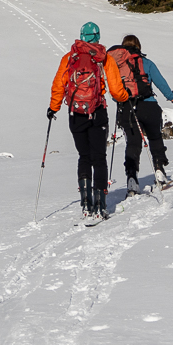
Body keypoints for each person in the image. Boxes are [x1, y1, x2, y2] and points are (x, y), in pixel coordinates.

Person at [49, 22, 126, 217]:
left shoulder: (70, 57)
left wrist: (53, 107)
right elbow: (116, 90)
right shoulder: (104, 58)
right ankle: (100, 203)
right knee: (99, 158)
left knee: (84, 156)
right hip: (98, 112)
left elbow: (59, 84)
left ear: (81, 36)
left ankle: (85, 202)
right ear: (98, 37)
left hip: (76, 114)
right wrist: (125, 98)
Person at [107, 34, 173, 191]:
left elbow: (114, 92)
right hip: (149, 106)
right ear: (138, 47)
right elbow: (161, 83)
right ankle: (159, 170)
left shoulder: (117, 66)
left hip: (128, 109)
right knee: (155, 138)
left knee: (133, 144)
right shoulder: (146, 63)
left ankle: (132, 178)